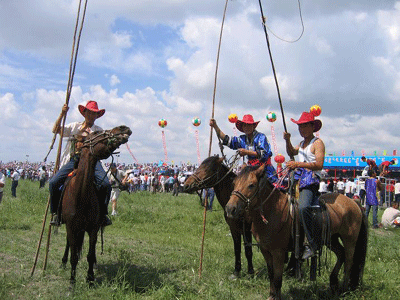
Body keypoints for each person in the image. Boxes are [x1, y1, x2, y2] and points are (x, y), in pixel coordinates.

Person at [49, 101, 112, 226]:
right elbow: (55, 130)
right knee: (53, 182)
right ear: (84, 113)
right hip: (74, 160)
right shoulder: (74, 126)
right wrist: (62, 113)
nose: (91, 115)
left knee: (106, 185)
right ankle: (56, 213)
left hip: (93, 161)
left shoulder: (99, 130)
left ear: (97, 116)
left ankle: (103, 214)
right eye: (89, 112)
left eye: (94, 113)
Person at [283, 111, 325, 260]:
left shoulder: (317, 143)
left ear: (312, 127)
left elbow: (319, 164)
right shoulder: (301, 144)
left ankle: (312, 244)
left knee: (303, 208)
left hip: (310, 181)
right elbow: (291, 152)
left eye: (304, 126)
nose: (301, 130)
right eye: (299, 127)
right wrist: (287, 140)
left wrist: (298, 164)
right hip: (297, 179)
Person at [210, 114, 277, 183]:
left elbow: (264, 154)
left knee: (273, 187)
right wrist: (215, 126)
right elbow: (227, 140)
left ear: (253, 126)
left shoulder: (261, 137)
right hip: (249, 170)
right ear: (242, 127)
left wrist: (247, 152)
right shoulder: (242, 139)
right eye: (244, 125)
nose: (246, 127)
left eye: (249, 125)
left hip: (264, 169)